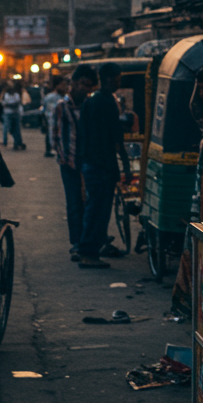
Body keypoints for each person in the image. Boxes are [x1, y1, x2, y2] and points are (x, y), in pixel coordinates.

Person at [77, 62, 129, 269]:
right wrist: (125, 164)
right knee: (98, 211)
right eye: (117, 78)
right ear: (108, 79)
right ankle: (88, 252)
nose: (118, 82)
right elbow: (116, 138)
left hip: (93, 163)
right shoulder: (105, 102)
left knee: (95, 209)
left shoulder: (93, 101)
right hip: (102, 166)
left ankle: (87, 249)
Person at [53, 65, 98, 261]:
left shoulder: (90, 105)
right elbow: (56, 135)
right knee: (74, 202)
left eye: (89, 86)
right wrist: (66, 159)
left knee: (89, 201)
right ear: (73, 83)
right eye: (83, 84)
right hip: (69, 162)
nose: (85, 89)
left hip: (87, 160)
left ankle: (89, 238)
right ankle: (77, 242)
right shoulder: (62, 106)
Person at [41, 74, 68, 157]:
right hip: (53, 123)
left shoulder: (65, 97)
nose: (65, 87)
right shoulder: (51, 97)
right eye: (63, 85)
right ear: (57, 86)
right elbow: (49, 112)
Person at [1, 79, 26, 150]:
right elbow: (4, 103)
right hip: (9, 113)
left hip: (13, 113)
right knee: (10, 128)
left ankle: (17, 143)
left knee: (15, 129)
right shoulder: (7, 95)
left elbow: (15, 103)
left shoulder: (15, 95)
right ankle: (14, 142)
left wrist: (8, 104)